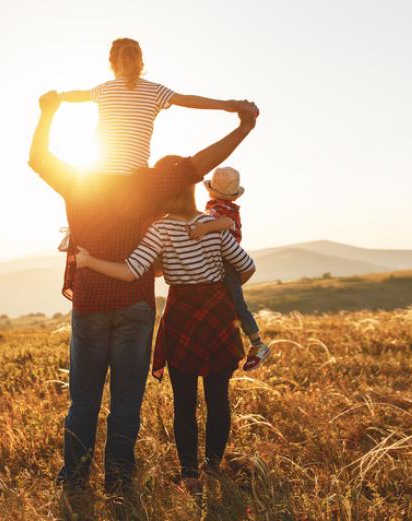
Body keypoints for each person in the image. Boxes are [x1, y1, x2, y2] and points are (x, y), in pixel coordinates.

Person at [27, 89, 258, 494]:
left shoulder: (78, 178)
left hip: (90, 304)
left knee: (83, 400)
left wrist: (48, 113)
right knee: (126, 402)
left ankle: (75, 478)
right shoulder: (151, 182)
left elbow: (38, 158)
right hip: (134, 305)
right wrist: (243, 126)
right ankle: (118, 479)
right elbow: (204, 163)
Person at [74, 181, 256, 496]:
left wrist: (89, 262)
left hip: (182, 313)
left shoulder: (160, 229)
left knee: (184, 402)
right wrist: (219, 287)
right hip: (218, 313)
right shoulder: (211, 224)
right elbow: (247, 266)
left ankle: (189, 476)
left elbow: (131, 271)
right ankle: (212, 469)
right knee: (218, 397)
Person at [58, 37, 247, 175]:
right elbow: (188, 100)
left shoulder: (104, 89)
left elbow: (78, 95)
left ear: (112, 63)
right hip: (135, 175)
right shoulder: (155, 90)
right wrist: (226, 105)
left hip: (97, 174)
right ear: (140, 62)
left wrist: (58, 97)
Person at [187, 166, 271, 370]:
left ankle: (257, 344)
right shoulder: (220, 206)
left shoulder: (222, 211)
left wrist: (204, 228)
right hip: (223, 261)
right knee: (230, 303)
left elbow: (225, 223)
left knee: (237, 304)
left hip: (227, 261)